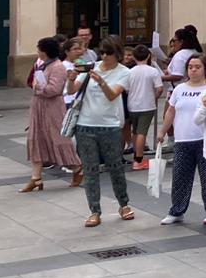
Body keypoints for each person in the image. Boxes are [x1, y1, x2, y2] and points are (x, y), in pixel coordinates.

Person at [68, 39, 135, 228]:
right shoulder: (91, 67)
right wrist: (71, 79)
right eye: (102, 52)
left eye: (109, 53)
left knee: (115, 167)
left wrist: (102, 82)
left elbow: (113, 94)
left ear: (118, 54)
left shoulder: (124, 72)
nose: (104, 56)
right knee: (90, 170)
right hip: (85, 125)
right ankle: (94, 211)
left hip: (110, 126)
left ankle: (124, 204)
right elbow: (72, 90)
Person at [157, 53, 206, 228]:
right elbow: (171, 111)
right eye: (190, 67)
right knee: (180, 177)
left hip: (204, 139)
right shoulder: (179, 89)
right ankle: (176, 211)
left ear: (205, 69)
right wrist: (163, 131)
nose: (193, 70)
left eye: (197, 67)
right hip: (182, 140)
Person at [21, 37, 80, 192]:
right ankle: (36, 178)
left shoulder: (58, 67)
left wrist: (39, 88)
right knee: (36, 138)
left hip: (52, 107)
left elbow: (54, 90)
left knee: (58, 138)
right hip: (38, 106)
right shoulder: (40, 64)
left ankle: (77, 168)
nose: (37, 51)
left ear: (45, 51)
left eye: (39, 48)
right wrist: (36, 86)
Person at [125, 45, 164, 171]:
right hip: (147, 105)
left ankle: (136, 154)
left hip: (132, 105)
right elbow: (159, 88)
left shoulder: (130, 72)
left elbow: (126, 89)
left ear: (134, 57)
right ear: (148, 56)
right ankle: (138, 160)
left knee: (135, 131)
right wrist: (155, 97)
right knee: (142, 132)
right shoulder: (153, 71)